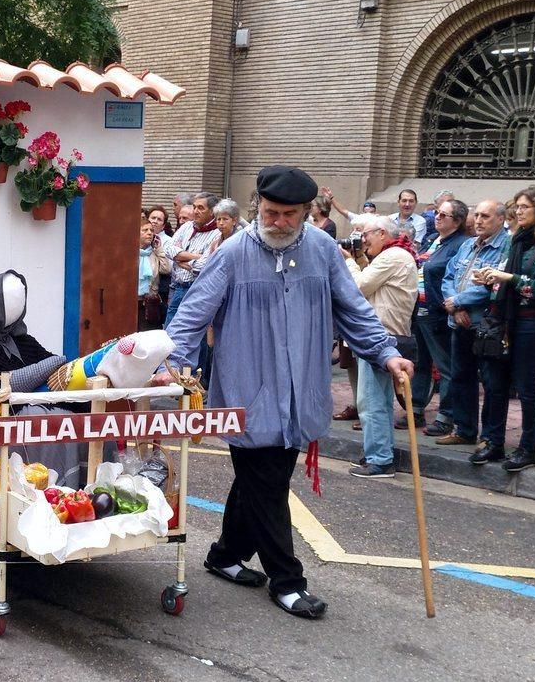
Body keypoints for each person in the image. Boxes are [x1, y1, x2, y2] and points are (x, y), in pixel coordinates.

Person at [157, 165, 411, 619]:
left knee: (259, 483)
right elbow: (193, 313)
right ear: (259, 207)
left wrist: (386, 354)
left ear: (307, 212)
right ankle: (288, 580)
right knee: (268, 485)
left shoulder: (323, 250)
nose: (278, 222)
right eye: (270, 212)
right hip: (246, 393)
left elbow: (352, 307)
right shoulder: (233, 252)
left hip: (300, 393)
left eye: (288, 214)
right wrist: (170, 364)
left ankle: (224, 556)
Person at [473, 186, 535, 471]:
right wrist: (490, 280)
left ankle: (527, 449)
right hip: (503, 318)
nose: (519, 211)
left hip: (529, 322)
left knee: (526, 387)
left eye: (525, 207)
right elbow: (508, 277)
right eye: (517, 206)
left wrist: (508, 278)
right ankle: (494, 443)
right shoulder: (515, 240)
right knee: (495, 383)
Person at [341, 217, 418, 478]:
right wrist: (360, 260)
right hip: (390, 334)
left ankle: (380, 459)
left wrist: (348, 260)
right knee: (381, 401)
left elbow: (359, 286)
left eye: (365, 235)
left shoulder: (393, 256)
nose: (362, 241)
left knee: (371, 401)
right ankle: (379, 453)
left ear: (382, 233)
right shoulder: (397, 254)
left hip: (382, 337)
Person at [439, 200, 509, 449]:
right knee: (460, 376)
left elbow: (492, 286)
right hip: (459, 321)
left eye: (485, 216)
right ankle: (464, 429)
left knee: (491, 381)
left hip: (485, 324)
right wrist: (455, 306)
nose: (478, 220)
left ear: (501, 219)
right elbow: (448, 276)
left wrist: (458, 301)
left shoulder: (505, 247)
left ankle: (489, 436)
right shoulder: (468, 244)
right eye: (476, 215)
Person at [409, 198, 470, 436]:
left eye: (443, 215)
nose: (437, 217)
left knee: (444, 364)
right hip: (419, 311)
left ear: (457, 221)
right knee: (420, 362)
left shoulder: (460, 244)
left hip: (438, 312)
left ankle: (446, 415)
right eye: (437, 213)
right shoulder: (433, 240)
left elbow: (453, 276)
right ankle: (415, 409)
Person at [164, 192, 222, 328]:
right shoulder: (187, 226)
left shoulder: (218, 233)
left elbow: (204, 265)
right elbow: (167, 248)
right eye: (195, 207)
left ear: (213, 211)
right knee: (168, 334)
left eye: (201, 208)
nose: (196, 211)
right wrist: (195, 256)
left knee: (195, 337)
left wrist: (180, 257)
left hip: (199, 290)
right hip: (179, 288)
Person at [137, 221, 168, 330]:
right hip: (132, 302)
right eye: (145, 230)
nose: (149, 233)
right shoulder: (130, 253)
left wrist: (159, 249)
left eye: (151, 230)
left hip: (149, 303)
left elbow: (166, 269)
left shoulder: (154, 254)